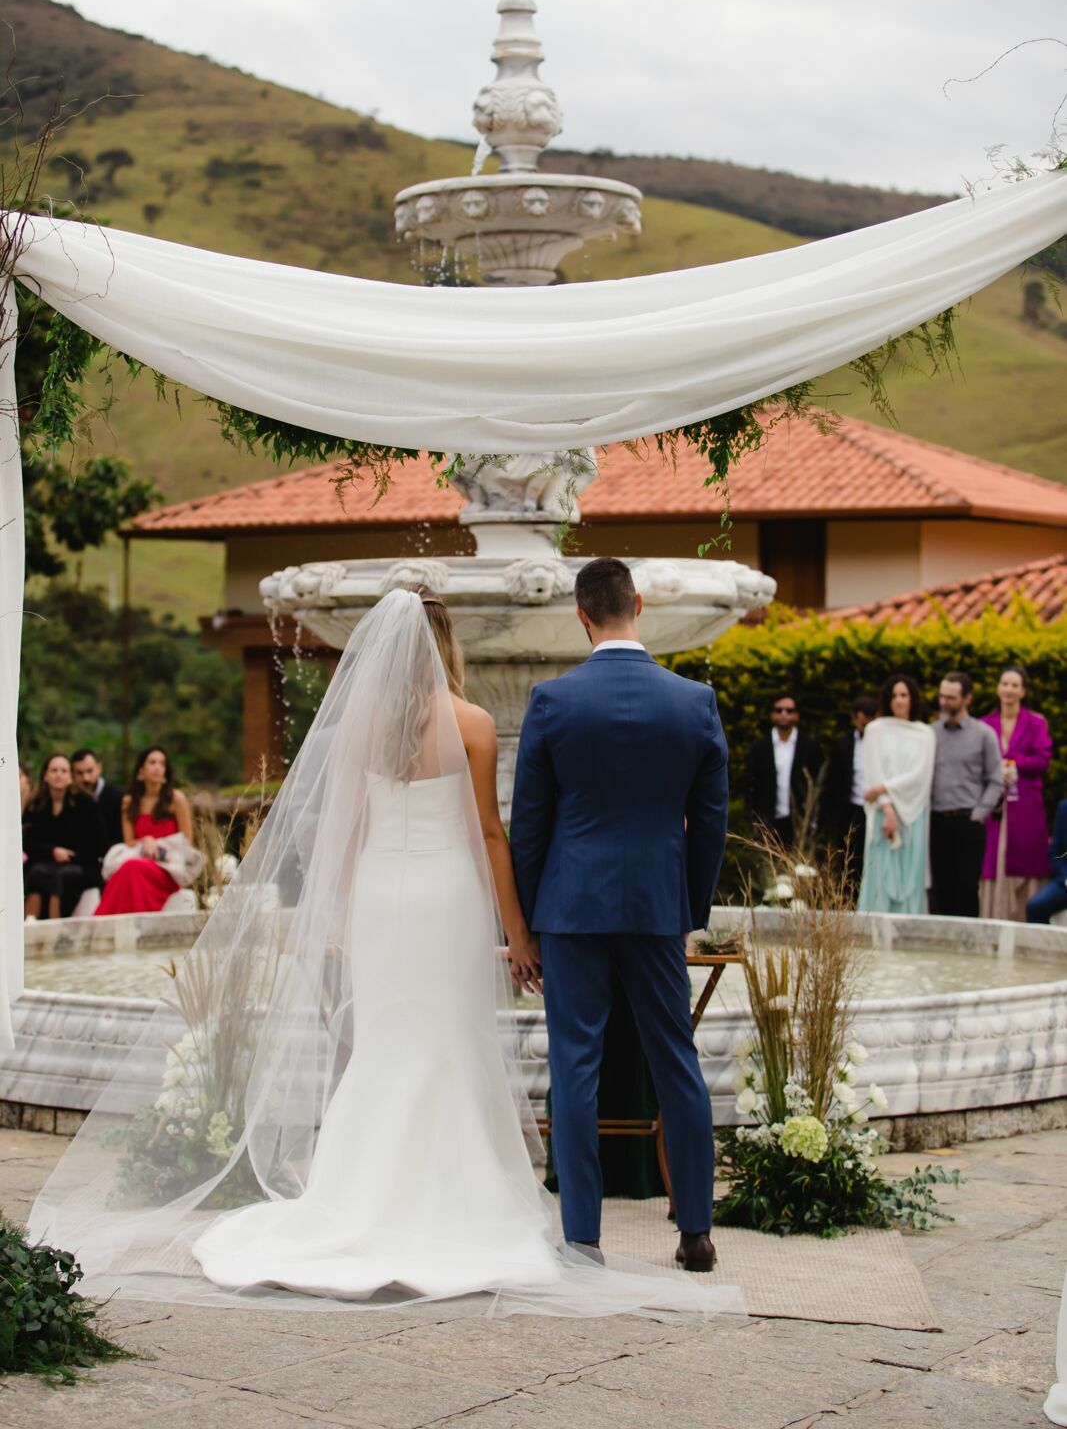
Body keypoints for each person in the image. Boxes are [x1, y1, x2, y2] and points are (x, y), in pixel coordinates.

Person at [29, 587, 740, 1321]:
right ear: (446, 649)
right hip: (448, 898)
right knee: (452, 1041)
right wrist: (517, 928)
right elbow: (494, 835)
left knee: (383, 1043)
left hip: (377, 895)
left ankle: (365, 1198)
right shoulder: (473, 722)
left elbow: (346, 828)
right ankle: (589, 1216)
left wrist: (333, 916)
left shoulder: (360, 724)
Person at [510, 557, 730, 1273]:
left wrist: (528, 924)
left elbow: (530, 827)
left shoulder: (551, 701)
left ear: (580, 615)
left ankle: (582, 1238)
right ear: (638, 604)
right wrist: (687, 908)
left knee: (575, 1068)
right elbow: (712, 820)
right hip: (656, 909)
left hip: (571, 908)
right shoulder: (693, 701)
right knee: (677, 1062)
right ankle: (694, 1232)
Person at [979, 667, 1053, 923]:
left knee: (1026, 858)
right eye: (1005, 684)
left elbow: (1043, 760)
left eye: (1014, 685)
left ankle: (1023, 918)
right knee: (991, 859)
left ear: (1023, 691)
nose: (1009, 690)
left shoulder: (1036, 722)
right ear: (998, 688)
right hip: (994, 805)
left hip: (1026, 803)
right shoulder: (985, 724)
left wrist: (1012, 762)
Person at [857, 676, 935, 916]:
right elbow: (873, 770)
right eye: (894, 695)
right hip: (884, 813)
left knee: (910, 875)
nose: (899, 700)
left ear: (912, 699)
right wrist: (887, 808)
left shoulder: (925, 733)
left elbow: (921, 774)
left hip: (913, 813)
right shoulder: (875, 730)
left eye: (904, 695)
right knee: (881, 873)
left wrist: (882, 788)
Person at [928, 671, 1002, 919]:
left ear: (967, 698)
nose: (944, 702)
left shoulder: (984, 734)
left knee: (967, 888)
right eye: (941, 696)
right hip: (936, 821)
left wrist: (979, 814)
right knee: (939, 889)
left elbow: (996, 780)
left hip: (968, 823)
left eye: (951, 697)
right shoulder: (930, 734)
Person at [94, 746, 194, 917]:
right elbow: (129, 840)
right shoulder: (129, 801)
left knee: (132, 867)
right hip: (141, 858)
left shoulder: (176, 799)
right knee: (127, 868)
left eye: (162, 764)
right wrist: (145, 841)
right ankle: (105, 922)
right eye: (152, 762)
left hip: (167, 866)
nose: (157, 767)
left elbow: (187, 840)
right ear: (141, 770)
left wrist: (160, 846)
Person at [22, 754, 103, 919]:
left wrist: (69, 855)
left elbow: (98, 843)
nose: (59, 774)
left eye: (64, 771)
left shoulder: (86, 805)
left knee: (56, 877)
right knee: (37, 873)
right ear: (45, 775)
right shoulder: (36, 805)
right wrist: (52, 851)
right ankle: (28, 927)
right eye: (54, 770)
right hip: (46, 862)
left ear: (70, 777)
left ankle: (55, 924)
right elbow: (27, 842)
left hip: (82, 865)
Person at [745, 693, 822, 846]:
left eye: (789, 710)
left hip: (800, 821)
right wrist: (754, 819)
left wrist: (813, 819)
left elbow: (817, 784)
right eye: (779, 710)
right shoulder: (760, 747)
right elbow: (751, 785)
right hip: (768, 820)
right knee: (769, 868)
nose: (784, 714)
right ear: (772, 715)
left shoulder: (809, 746)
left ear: (797, 715)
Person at [825, 695, 878, 885]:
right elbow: (833, 782)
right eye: (863, 718)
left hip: (877, 809)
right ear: (855, 718)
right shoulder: (843, 744)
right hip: (851, 811)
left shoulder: (882, 744)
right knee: (850, 862)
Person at [71, 748, 125, 853]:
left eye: (90, 771)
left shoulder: (117, 797)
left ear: (99, 768)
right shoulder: (71, 799)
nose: (85, 778)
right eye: (79, 773)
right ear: (72, 774)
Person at [1027, 800, 1067, 924]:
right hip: (1065, 882)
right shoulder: (1064, 808)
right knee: (1035, 907)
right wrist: (1065, 878)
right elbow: (1055, 852)